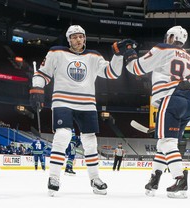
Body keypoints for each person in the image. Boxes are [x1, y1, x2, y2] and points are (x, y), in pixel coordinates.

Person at [29, 25, 133, 196]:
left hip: (87, 103)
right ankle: (54, 177)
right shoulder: (56, 52)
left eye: (81, 36)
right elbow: (42, 73)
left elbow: (112, 73)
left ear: (85, 38)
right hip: (63, 100)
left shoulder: (94, 56)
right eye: (74, 37)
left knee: (90, 141)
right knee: (63, 135)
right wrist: (37, 89)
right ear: (69, 39)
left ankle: (95, 179)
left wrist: (118, 55)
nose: (78, 39)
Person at [124, 26, 190, 198]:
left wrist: (129, 52)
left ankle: (179, 178)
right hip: (188, 103)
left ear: (170, 37)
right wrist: (189, 110)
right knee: (163, 143)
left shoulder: (163, 49)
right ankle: (155, 179)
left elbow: (136, 68)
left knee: (167, 142)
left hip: (170, 99)